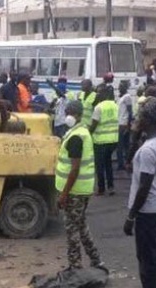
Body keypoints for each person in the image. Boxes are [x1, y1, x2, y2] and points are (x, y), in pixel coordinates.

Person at [123, 97, 156, 288]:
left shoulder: (148, 150)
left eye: (140, 116)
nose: (136, 120)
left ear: (149, 120)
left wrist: (131, 216)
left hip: (147, 210)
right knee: (153, 257)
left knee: (147, 262)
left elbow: (144, 186)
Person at [55, 100, 103, 270]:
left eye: (68, 113)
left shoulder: (76, 137)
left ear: (75, 115)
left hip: (74, 191)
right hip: (82, 189)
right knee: (81, 226)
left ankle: (75, 266)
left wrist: (64, 194)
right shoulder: (81, 132)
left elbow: (74, 168)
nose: (67, 116)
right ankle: (96, 260)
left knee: (72, 229)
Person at [90, 85, 118, 196]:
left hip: (100, 141)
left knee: (99, 165)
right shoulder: (115, 105)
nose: (97, 95)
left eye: (99, 93)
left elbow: (93, 125)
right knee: (108, 164)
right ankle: (111, 187)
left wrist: (87, 133)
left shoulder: (99, 107)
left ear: (103, 94)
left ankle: (101, 188)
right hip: (113, 140)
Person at [117, 81, 132, 171]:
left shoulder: (127, 97)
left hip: (123, 123)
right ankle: (126, 162)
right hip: (120, 122)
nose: (119, 88)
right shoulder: (121, 97)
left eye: (121, 87)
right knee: (125, 145)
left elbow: (130, 112)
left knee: (120, 146)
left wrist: (128, 124)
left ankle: (122, 164)